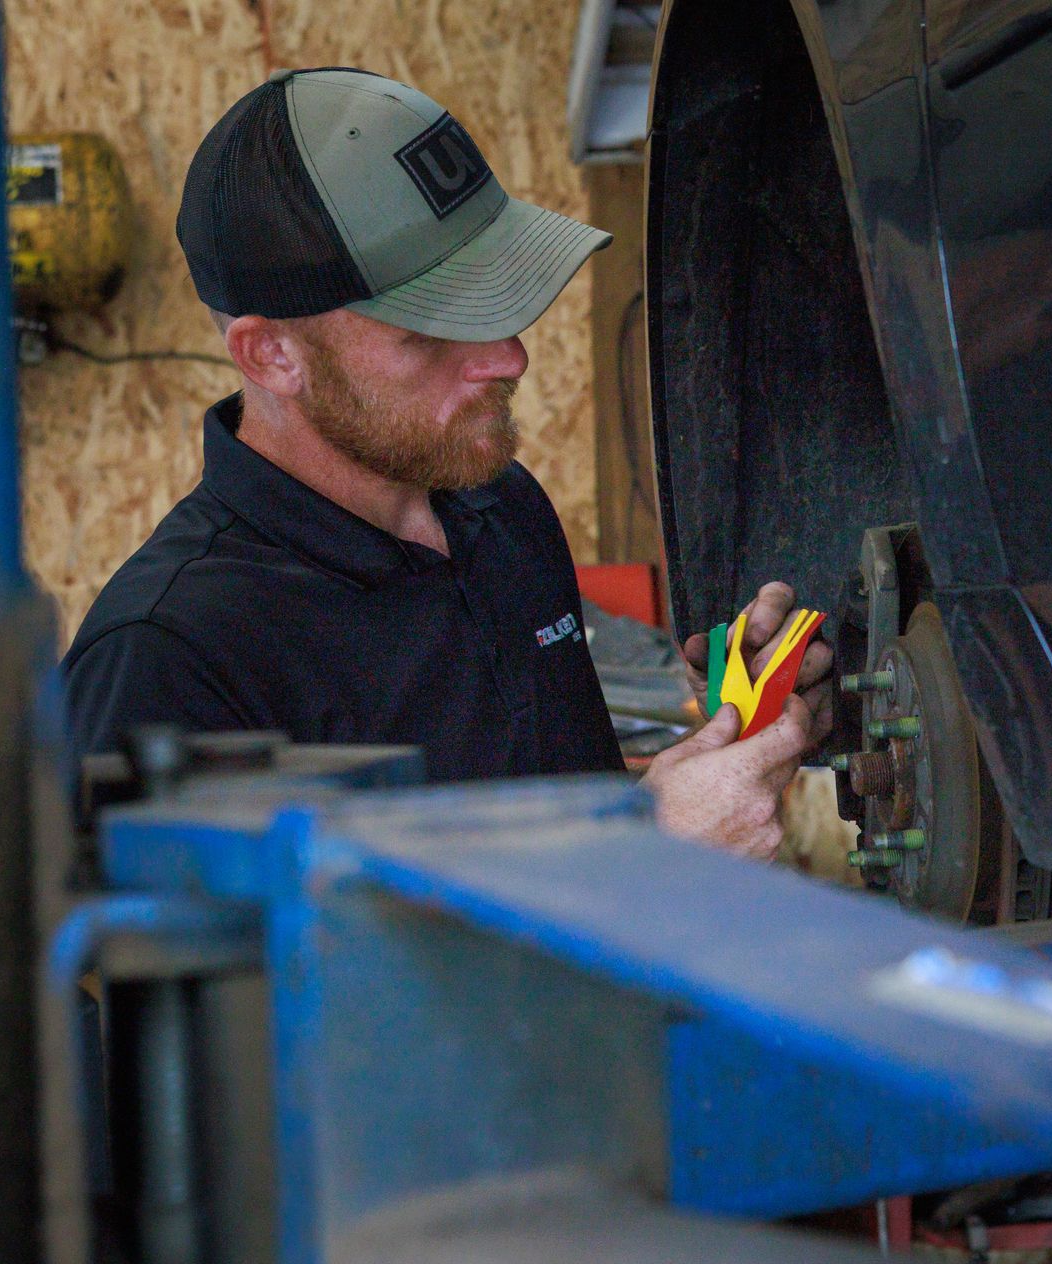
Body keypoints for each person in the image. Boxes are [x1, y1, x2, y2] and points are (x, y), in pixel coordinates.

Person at [62, 67, 830, 857]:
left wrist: (730, 732)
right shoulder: (170, 660)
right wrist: (653, 858)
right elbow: (268, 978)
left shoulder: (500, 511)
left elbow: (538, 848)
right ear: (271, 354)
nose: (510, 358)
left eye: (494, 303)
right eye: (430, 329)